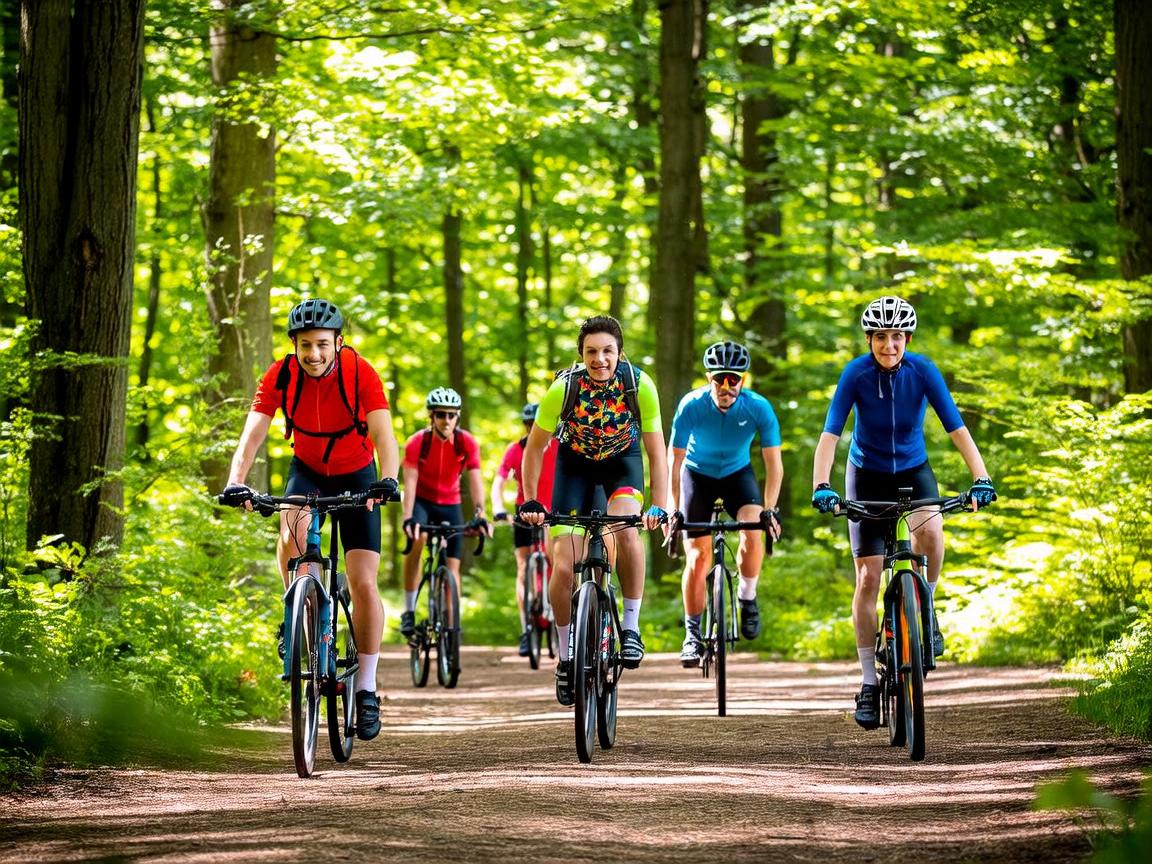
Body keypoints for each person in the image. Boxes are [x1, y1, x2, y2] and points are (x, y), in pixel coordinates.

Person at [810, 295, 997, 730]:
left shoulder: (923, 371)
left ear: (907, 338)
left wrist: (981, 478)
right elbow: (830, 434)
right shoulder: (855, 373)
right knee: (868, 577)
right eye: (880, 337)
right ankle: (868, 683)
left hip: (914, 470)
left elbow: (956, 427)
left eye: (896, 336)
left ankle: (925, 606)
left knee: (931, 531)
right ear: (870, 339)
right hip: (867, 475)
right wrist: (822, 485)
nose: (888, 345)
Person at [221, 298, 400, 741]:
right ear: (294, 346)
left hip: (359, 476)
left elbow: (383, 434)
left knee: (363, 580)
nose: (314, 354)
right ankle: (294, 610)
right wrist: (236, 480)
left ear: (339, 343)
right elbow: (254, 432)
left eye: (322, 344)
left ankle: (367, 687)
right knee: (292, 526)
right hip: (308, 471)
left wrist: (389, 479)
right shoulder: (280, 375)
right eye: (305, 345)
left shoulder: (361, 373)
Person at [517, 315, 669, 707]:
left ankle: (631, 628)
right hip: (575, 467)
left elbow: (656, 453)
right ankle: (566, 659)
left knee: (625, 530)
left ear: (620, 352)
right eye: (591, 352)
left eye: (607, 351)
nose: (599, 359)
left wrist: (659, 505)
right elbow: (534, 449)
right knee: (564, 565)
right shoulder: (563, 389)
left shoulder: (640, 386)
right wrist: (531, 500)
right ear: (581, 354)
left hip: (623, 461)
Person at [667, 340, 784, 667]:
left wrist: (770, 508)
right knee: (698, 554)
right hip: (697, 475)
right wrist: (671, 507)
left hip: (737, 474)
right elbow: (673, 461)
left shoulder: (758, 407)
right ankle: (692, 633)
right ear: (709, 378)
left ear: (743, 381)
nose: (727, 386)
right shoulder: (691, 405)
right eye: (720, 378)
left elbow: (774, 464)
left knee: (753, 528)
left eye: (734, 379)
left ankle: (747, 596)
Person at [399, 387, 489, 640]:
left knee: (452, 566)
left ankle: (452, 623)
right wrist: (408, 517)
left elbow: (475, 480)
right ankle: (408, 610)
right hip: (422, 503)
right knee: (417, 540)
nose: (446, 420)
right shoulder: (417, 442)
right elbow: (410, 481)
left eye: (451, 415)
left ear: (457, 417)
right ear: (432, 416)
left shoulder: (466, 442)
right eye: (440, 415)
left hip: (450, 503)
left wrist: (480, 513)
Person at [490, 403, 558, 656]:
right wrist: (498, 507)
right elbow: (499, 482)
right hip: (525, 512)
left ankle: (563, 620)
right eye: (529, 425)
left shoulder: (559, 447)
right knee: (522, 567)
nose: (534, 429)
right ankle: (525, 629)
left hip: (553, 513)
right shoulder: (515, 450)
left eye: (538, 424)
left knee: (559, 562)